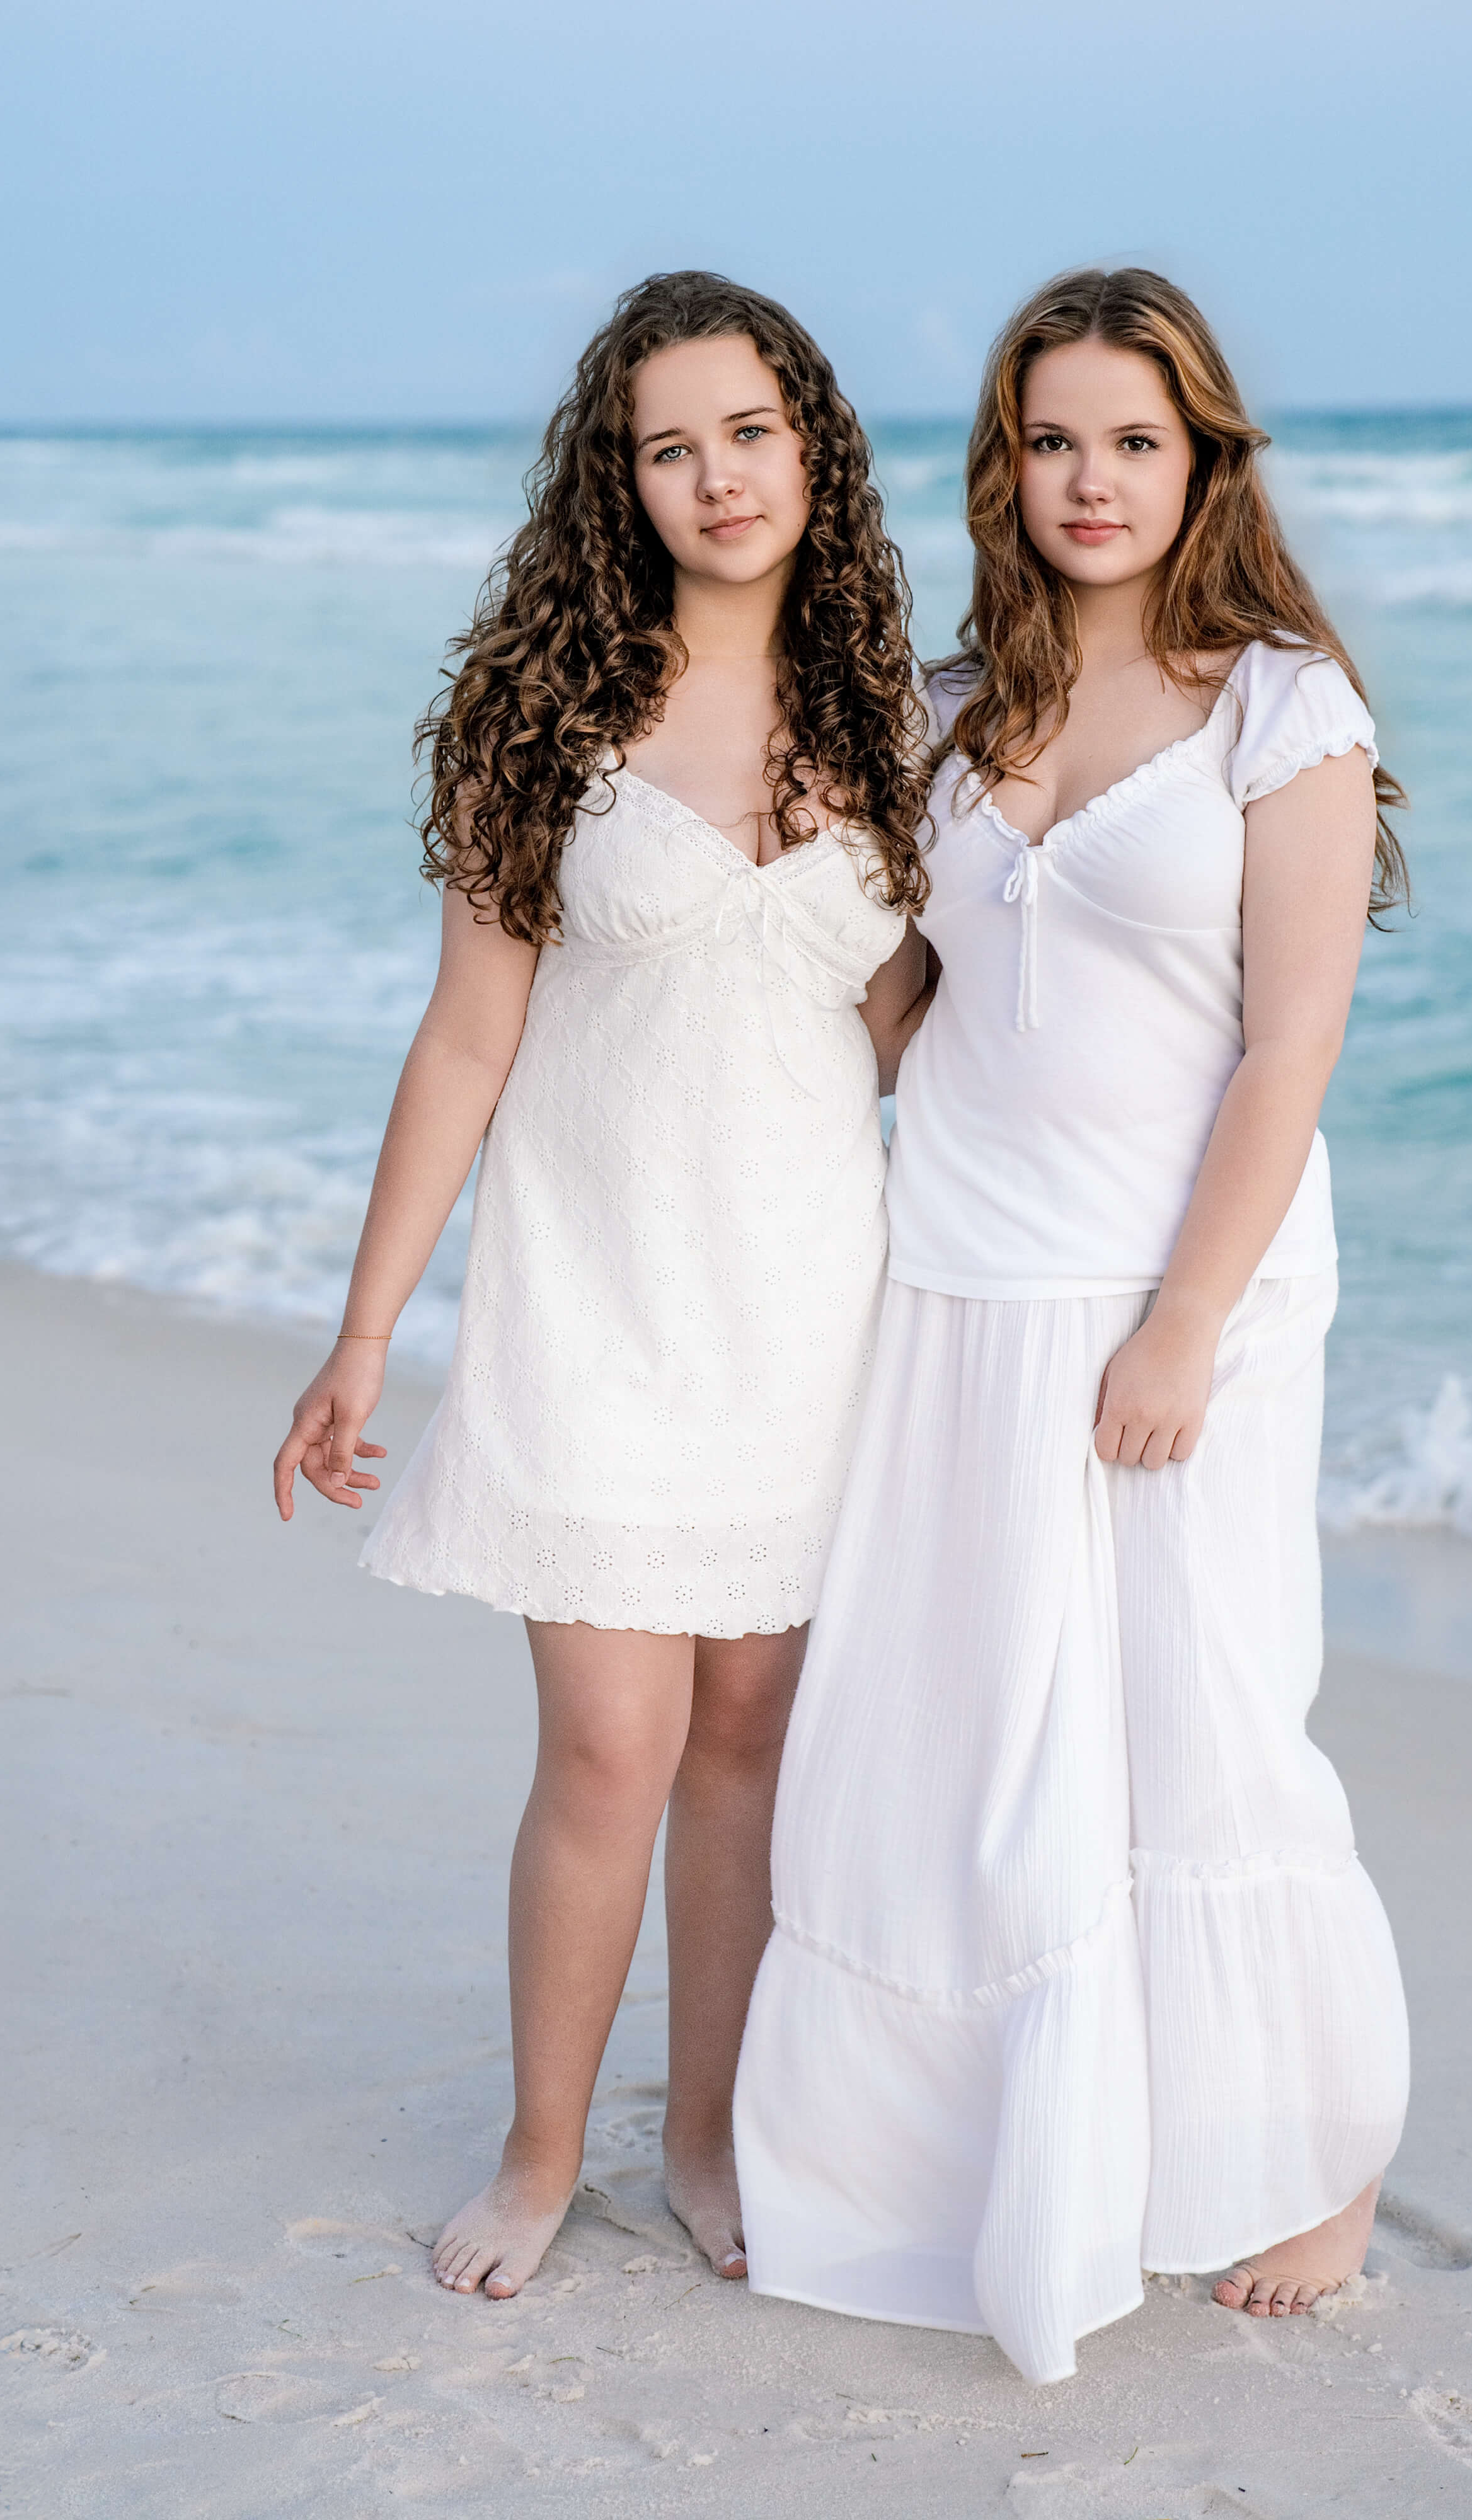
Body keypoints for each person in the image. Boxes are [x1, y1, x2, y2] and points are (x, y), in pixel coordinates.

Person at [735, 266, 1413, 2385]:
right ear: (1001, 465)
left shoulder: (1277, 704)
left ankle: (1317, 2162)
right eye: (1051, 441)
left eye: (1132, 438)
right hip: (953, 1274)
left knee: (1203, 1709)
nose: (1089, 479)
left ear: (1200, 455)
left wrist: (1184, 1320)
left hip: (1172, 1290)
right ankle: (941, 2158)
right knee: (952, 1737)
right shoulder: (951, 705)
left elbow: (1287, 1046)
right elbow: (908, 1008)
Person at [272, 270, 931, 2303]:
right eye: (670, 446)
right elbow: (465, 1043)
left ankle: (709, 2147)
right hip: (596, 1302)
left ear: (808, 443)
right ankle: (542, 2149)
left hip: (814, 1310)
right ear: (618, 482)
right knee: (607, 1750)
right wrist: (369, 1327)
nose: (717, 476)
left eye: (748, 430)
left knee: (752, 1744)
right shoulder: (543, 719)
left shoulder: (896, 723)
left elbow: (918, 1038)